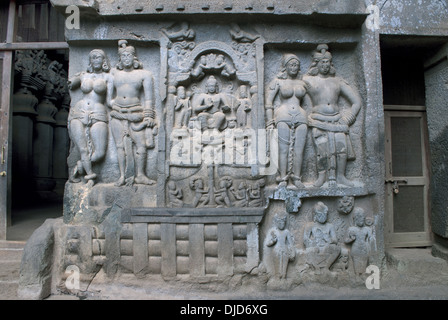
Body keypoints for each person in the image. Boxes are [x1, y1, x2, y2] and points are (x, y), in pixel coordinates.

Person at [303, 44, 362, 187]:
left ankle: (341, 176)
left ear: (331, 63)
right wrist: (305, 117)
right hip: (318, 119)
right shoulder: (308, 80)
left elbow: (356, 101)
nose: (325, 65)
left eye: (327, 62)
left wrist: (347, 118)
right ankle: (321, 177)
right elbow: (297, 98)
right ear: (316, 64)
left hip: (337, 119)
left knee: (341, 150)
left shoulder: (338, 81)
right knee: (321, 150)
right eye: (322, 62)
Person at [110, 40, 157, 186]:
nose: (125, 58)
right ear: (119, 58)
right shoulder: (113, 73)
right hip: (117, 113)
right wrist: (116, 108)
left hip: (136, 113)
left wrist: (148, 115)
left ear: (134, 57)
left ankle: (140, 175)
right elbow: (108, 96)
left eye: (128, 55)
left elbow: (149, 98)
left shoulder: (144, 74)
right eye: (122, 56)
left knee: (141, 145)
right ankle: (122, 175)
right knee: (119, 146)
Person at [68, 49, 113, 184]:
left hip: (99, 113)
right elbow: (71, 84)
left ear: (104, 61)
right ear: (90, 61)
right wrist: (75, 78)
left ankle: (80, 166)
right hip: (79, 112)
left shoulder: (108, 77)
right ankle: (89, 175)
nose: (96, 60)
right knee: (83, 148)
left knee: (99, 153)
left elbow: (110, 101)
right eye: (93, 58)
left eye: (98, 57)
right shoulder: (83, 75)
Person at [265, 54, 308, 188]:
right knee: (283, 149)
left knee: (299, 149)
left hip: (301, 116)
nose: (294, 68)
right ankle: (283, 178)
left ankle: (297, 178)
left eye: (296, 65)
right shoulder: (278, 81)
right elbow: (268, 102)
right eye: (291, 65)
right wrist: (270, 121)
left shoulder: (303, 83)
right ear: (285, 67)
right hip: (283, 115)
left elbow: (309, 103)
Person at [303, 201, 340, 271]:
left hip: (326, 248)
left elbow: (335, 240)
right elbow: (305, 240)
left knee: (337, 248)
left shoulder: (330, 226)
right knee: (311, 250)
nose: (323, 217)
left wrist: (328, 239)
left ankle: (326, 267)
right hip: (315, 248)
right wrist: (312, 242)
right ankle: (316, 267)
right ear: (315, 215)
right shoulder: (310, 225)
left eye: (325, 215)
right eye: (320, 215)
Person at [264, 213, 295, 279]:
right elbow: (267, 243)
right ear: (276, 222)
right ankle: (277, 279)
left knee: (284, 268)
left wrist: (293, 252)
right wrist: (273, 241)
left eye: (283, 222)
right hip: (276, 251)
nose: (282, 224)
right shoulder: (273, 231)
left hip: (285, 251)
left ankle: (283, 278)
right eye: (280, 222)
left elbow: (290, 243)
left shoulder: (286, 231)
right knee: (278, 268)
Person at [345, 207, 374, 275]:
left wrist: (371, 238)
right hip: (355, 249)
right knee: (357, 267)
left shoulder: (367, 229)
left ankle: (363, 276)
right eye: (360, 217)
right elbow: (346, 240)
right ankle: (357, 276)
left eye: (363, 217)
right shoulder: (351, 229)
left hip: (364, 250)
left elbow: (371, 238)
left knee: (364, 266)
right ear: (355, 219)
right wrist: (351, 239)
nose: (362, 219)